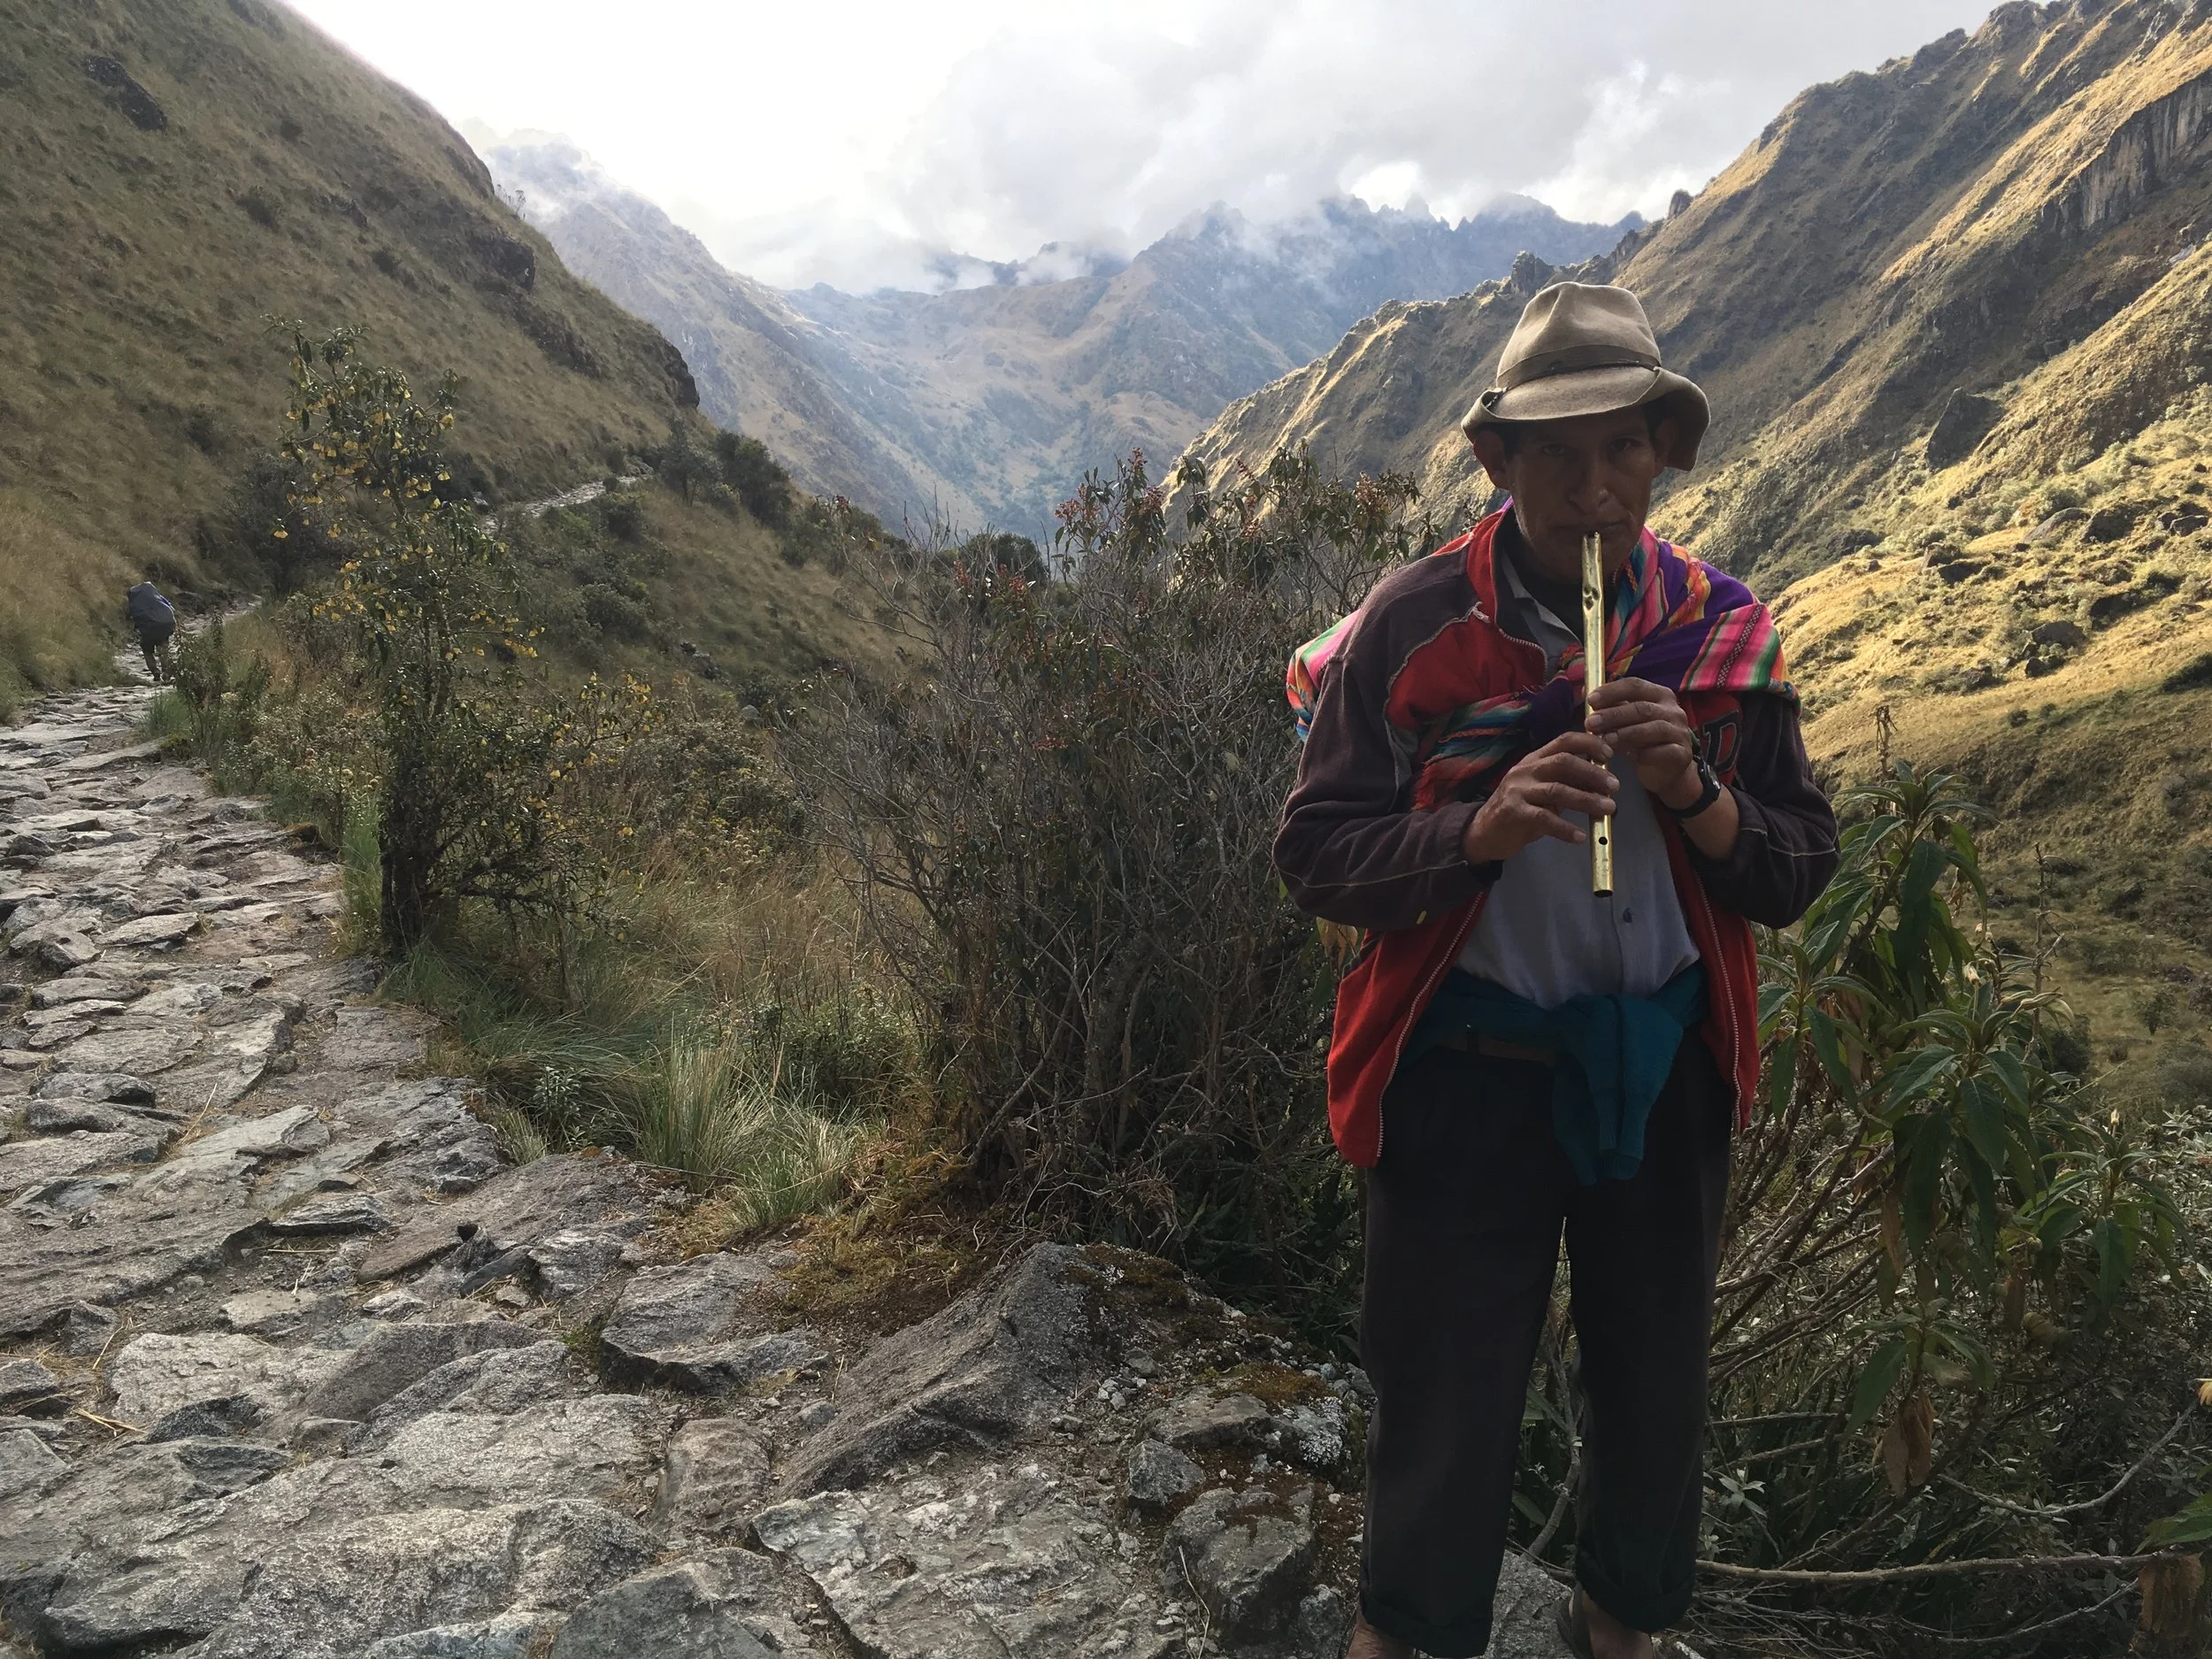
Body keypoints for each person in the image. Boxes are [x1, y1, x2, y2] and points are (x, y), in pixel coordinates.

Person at [1274, 282, 1839, 1659]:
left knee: (1655, 1381)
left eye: (1625, 450)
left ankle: (1621, 1625)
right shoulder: (1410, 629)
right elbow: (1318, 851)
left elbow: (1793, 864)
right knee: (1448, 1387)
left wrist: (1695, 787)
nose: (1598, 490)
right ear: (1497, 463)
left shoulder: (1717, 630)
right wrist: (1483, 822)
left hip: (1664, 1066)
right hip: (1468, 1068)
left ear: (1663, 451)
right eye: (1560, 455)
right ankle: (1408, 1630)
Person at [125, 578, 176, 684]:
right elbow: (171, 608)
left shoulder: (135, 603)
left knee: (147, 650)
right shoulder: (158, 598)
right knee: (163, 649)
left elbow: (129, 617)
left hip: (149, 629)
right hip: (165, 625)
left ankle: (155, 671)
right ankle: (166, 673)